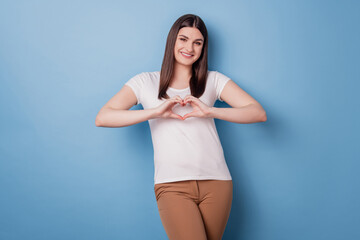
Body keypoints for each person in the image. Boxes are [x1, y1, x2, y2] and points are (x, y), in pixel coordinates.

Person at [95, 14, 267, 240]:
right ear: (172, 42)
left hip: (217, 183)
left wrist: (210, 110)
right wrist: (155, 112)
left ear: (203, 48)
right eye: (183, 39)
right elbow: (103, 117)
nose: (189, 48)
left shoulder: (213, 80)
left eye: (197, 43)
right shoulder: (145, 82)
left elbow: (258, 113)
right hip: (172, 185)